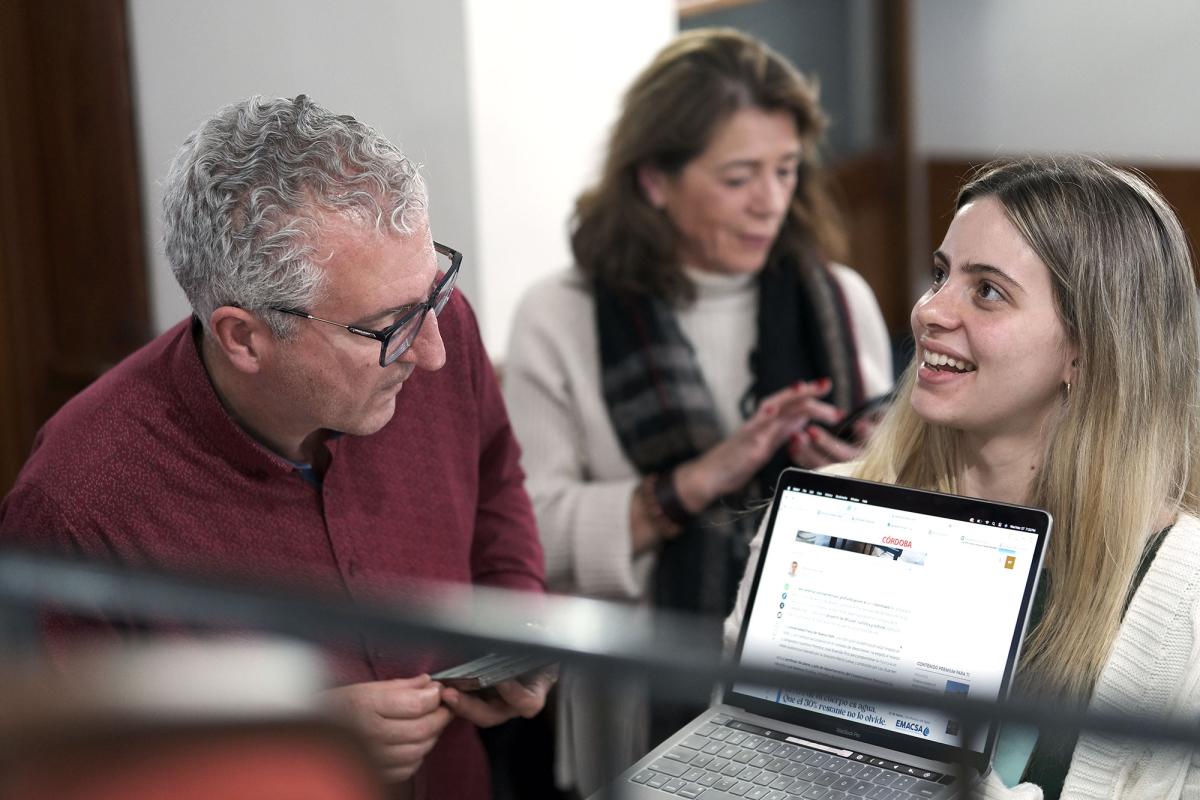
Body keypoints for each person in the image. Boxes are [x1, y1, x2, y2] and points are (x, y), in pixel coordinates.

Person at [0, 95, 550, 800]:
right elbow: (60, 773)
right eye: (388, 327)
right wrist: (280, 748)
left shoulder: (434, 326)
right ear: (244, 338)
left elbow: (495, 475)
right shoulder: (76, 505)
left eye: (436, 290)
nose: (436, 352)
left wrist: (522, 626)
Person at [726, 156, 1200, 799]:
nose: (928, 312)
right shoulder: (828, 509)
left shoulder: (1184, 595)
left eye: (987, 291)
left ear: (1086, 348)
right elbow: (739, 747)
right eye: (941, 275)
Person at [502, 28, 892, 793]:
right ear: (653, 180)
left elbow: (906, 512)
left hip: (821, 676)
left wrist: (870, 466)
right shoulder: (560, 314)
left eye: (785, 170)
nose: (772, 201)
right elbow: (531, 533)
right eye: (739, 176)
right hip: (636, 691)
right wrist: (698, 481)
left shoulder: (840, 298)